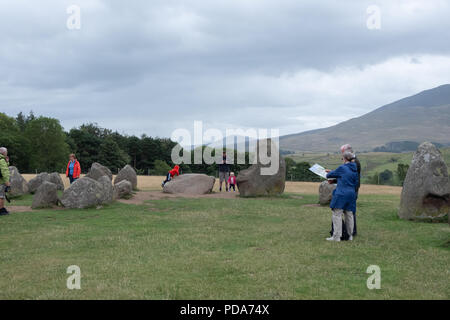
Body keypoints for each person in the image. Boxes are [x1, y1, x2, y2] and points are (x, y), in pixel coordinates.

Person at [325, 151, 358, 242]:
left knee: (337, 214)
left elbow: (329, 175)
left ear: (345, 159)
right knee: (349, 214)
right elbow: (354, 182)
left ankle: (336, 236)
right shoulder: (354, 170)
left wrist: (330, 172)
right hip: (351, 194)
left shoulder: (342, 168)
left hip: (341, 193)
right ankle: (350, 236)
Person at [0, 147, 11, 216]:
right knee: (1, 196)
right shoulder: (1, 160)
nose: (7, 153)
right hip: (1, 181)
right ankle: (1, 210)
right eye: (6, 152)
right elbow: (4, 171)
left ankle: (2, 208)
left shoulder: (2, 160)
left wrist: (7, 162)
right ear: (3, 152)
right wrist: (7, 182)